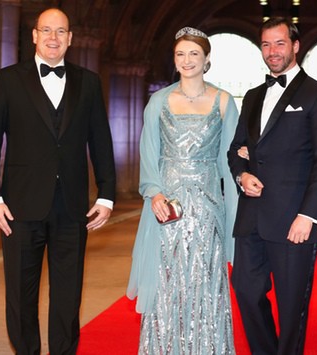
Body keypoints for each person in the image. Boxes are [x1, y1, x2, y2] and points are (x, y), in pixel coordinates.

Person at [0, 8, 116, 354]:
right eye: (47, 30)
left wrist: (107, 195)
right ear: (35, 36)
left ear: (70, 38)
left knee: (68, 296)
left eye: (61, 31)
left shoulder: (88, 82)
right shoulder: (7, 79)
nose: (54, 38)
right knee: (21, 296)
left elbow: (101, 140)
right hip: (19, 207)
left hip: (72, 208)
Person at [228, 17, 317, 355]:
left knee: (292, 309)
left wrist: (309, 215)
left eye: (279, 43)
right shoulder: (251, 96)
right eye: (265, 44)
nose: (272, 51)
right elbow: (236, 149)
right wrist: (241, 174)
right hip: (251, 217)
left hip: (294, 220)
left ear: (295, 46)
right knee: (246, 290)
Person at [126, 27, 239, 354]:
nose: (187, 60)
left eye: (194, 54)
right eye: (180, 54)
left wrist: (234, 222)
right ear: (174, 60)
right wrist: (155, 193)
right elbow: (148, 153)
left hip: (207, 208)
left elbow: (229, 164)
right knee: (167, 284)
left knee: (206, 284)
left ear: (206, 60)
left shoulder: (223, 101)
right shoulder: (158, 101)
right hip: (167, 208)